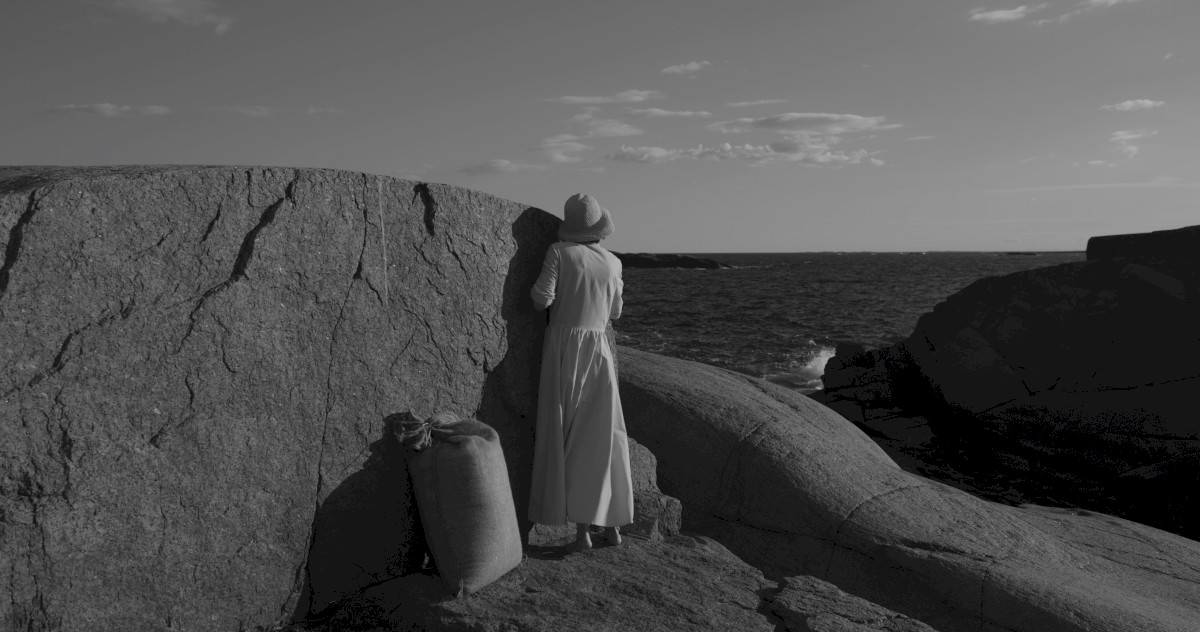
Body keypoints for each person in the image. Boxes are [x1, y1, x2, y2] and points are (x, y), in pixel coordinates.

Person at [527, 193, 633, 551]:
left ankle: (582, 533)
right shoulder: (614, 262)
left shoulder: (559, 252)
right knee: (604, 436)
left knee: (566, 433)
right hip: (599, 350)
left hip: (564, 349)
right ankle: (612, 525)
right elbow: (615, 312)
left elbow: (541, 299)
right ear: (600, 228)